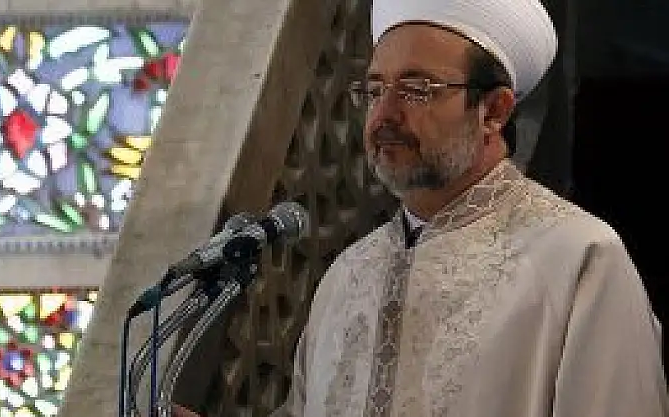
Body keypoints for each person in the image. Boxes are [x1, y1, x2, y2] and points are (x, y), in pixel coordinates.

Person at [176, 0, 669, 415]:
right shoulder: (349, 273)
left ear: (494, 110)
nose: (384, 115)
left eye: (416, 90)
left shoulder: (580, 258)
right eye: (375, 90)